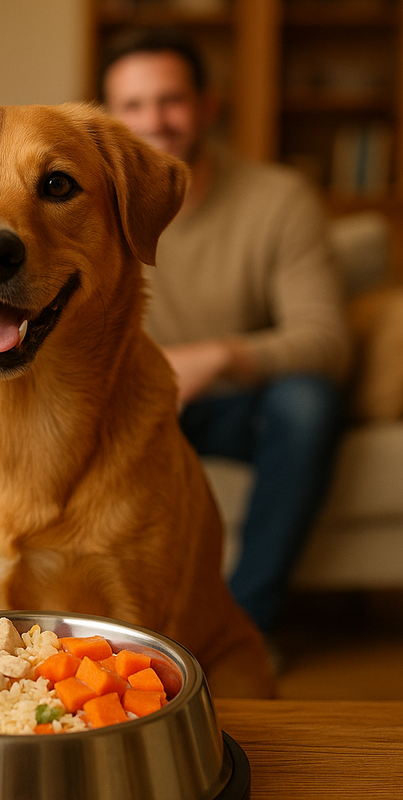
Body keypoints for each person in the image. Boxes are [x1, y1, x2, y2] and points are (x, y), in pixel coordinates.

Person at [100, 28, 352, 642]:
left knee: (309, 400)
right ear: (108, 118)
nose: (153, 120)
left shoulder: (278, 199)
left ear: (208, 105)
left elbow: (325, 340)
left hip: (235, 406)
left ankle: (242, 628)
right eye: (133, 106)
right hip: (127, 402)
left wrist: (219, 357)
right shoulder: (84, 201)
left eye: (171, 100)